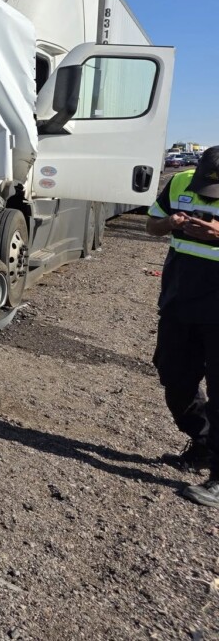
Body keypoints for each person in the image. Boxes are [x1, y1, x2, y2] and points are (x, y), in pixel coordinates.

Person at [146, 144, 219, 506]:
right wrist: (169, 223)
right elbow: (150, 226)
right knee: (174, 377)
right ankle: (202, 445)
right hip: (179, 302)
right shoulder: (180, 182)